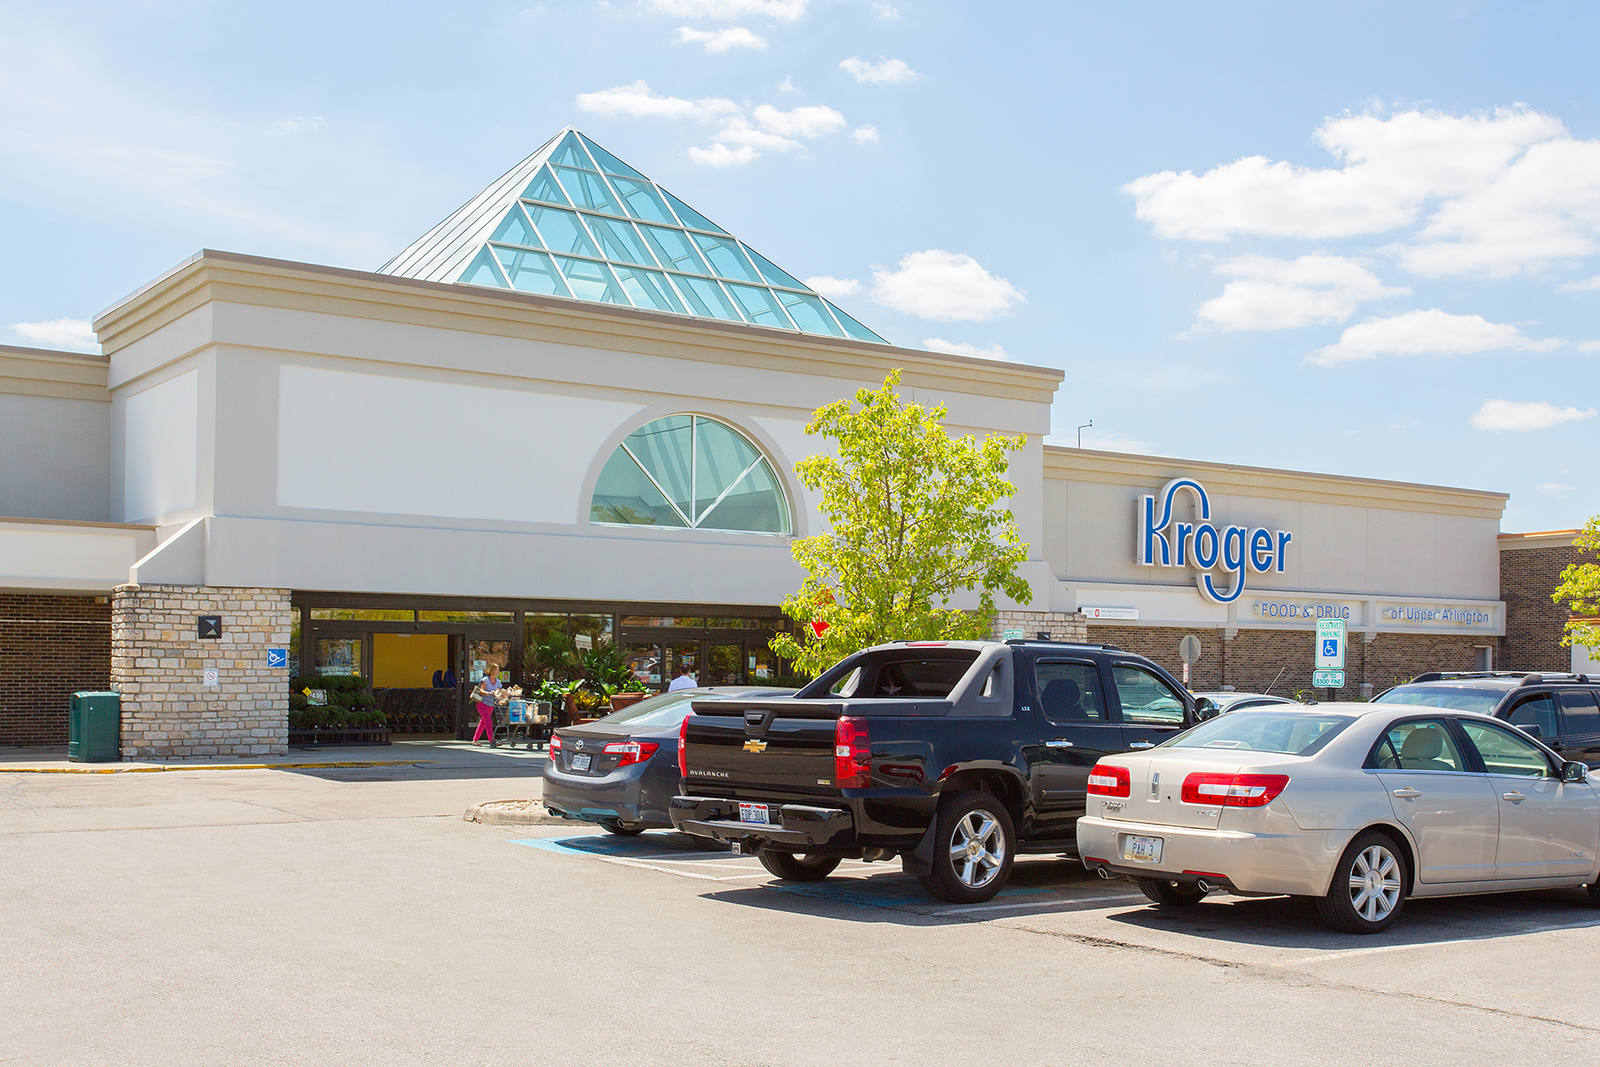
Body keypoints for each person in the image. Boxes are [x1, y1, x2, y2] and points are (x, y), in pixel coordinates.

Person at [472, 663, 503, 746]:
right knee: (488, 721)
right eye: (496, 670)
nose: (498, 671)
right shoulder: (485, 680)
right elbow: (481, 690)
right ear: (492, 670)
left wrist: (501, 695)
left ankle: (475, 740)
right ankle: (491, 740)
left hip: (491, 704)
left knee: (483, 722)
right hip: (482, 703)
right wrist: (488, 693)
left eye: (498, 670)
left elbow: (499, 691)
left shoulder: (498, 682)